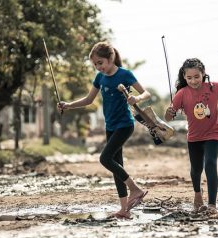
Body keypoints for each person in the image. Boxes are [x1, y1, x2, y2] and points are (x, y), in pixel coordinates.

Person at [58, 41, 150, 219]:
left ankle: (135, 189)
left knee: (105, 158)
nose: (98, 67)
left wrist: (136, 98)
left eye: (100, 63)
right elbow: (88, 100)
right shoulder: (100, 78)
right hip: (110, 126)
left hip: (125, 125)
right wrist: (68, 105)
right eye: (95, 64)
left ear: (111, 58)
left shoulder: (125, 74)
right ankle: (125, 210)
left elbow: (146, 93)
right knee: (117, 166)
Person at [164, 57, 218, 212]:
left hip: (213, 134)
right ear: (184, 77)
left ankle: (212, 204)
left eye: (196, 77)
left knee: (210, 163)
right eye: (189, 78)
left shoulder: (213, 88)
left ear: (203, 74)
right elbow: (168, 117)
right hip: (194, 137)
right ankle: (197, 194)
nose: (193, 81)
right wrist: (169, 112)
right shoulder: (182, 93)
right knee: (196, 169)